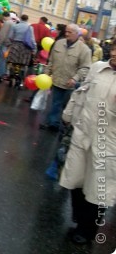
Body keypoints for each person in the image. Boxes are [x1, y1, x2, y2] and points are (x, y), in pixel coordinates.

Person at [59, 40, 116, 244]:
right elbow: (81, 92)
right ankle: (80, 217)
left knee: (97, 188)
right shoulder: (98, 68)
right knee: (75, 179)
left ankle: (87, 229)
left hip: (108, 143)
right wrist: (69, 116)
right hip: (83, 133)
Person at [40, 24, 91, 132]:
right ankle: (53, 124)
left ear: (77, 34)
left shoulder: (84, 49)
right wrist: (46, 74)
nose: (66, 34)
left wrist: (75, 79)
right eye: (66, 31)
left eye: (70, 32)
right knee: (55, 103)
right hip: (57, 80)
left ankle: (66, 128)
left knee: (68, 107)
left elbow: (85, 67)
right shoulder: (59, 43)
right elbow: (51, 61)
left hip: (71, 84)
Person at [6, 14, 36, 86]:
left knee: (13, 63)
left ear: (20, 19)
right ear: (27, 20)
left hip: (15, 45)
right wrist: (34, 48)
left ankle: (11, 76)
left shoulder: (15, 26)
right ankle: (20, 79)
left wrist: (12, 43)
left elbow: (10, 36)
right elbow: (32, 39)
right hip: (25, 48)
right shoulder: (30, 28)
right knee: (23, 64)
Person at [0, 11, 14, 81]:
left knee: (1, 59)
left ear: (4, 16)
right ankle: (3, 73)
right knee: (4, 60)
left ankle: (0, 73)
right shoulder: (12, 23)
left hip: (3, 43)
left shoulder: (7, 23)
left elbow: (3, 34)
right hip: (8, 44)